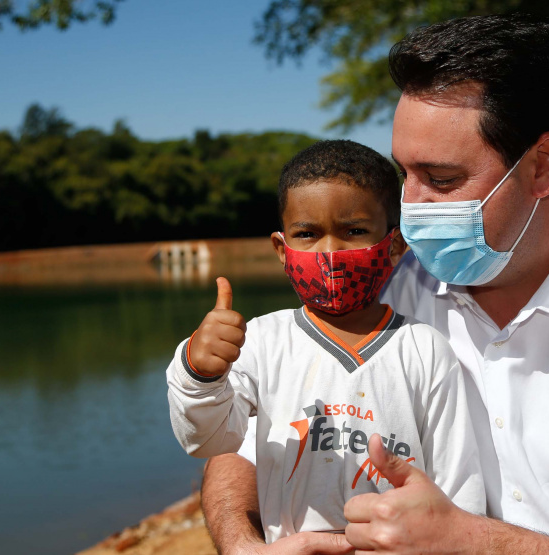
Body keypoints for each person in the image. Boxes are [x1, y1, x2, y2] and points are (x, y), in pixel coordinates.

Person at [200, 13, 549, 555]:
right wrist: (243, 543)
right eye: (403, 175)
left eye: (441, 180)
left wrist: (474, 542)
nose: (410, 206)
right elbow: (248, 438)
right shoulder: (387, 288)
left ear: (542, 167)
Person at [166, 140, 485, 543]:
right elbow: (206, 439)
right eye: (308, 233)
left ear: (395, 246)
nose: (331, 252)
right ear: (282, 250)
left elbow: (460, 487)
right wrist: (200, 373)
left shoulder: (426, 350)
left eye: (354, 231)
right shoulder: (261, 342)